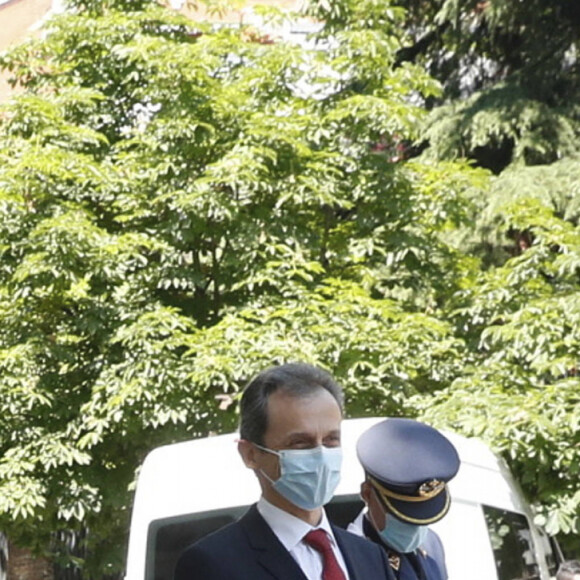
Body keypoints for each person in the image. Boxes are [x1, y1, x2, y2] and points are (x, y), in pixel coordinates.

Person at [174, 362, 396, 580]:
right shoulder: (212, 564)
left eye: (330, 440)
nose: (320, 455)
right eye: (300, 443)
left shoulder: (370, 557)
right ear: (250, 454)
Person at [347, 418, 460, 580]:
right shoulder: (349, 557)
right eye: (403, 517)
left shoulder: (431, 544)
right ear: (367, 494)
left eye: (423, 518)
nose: (415, 528)